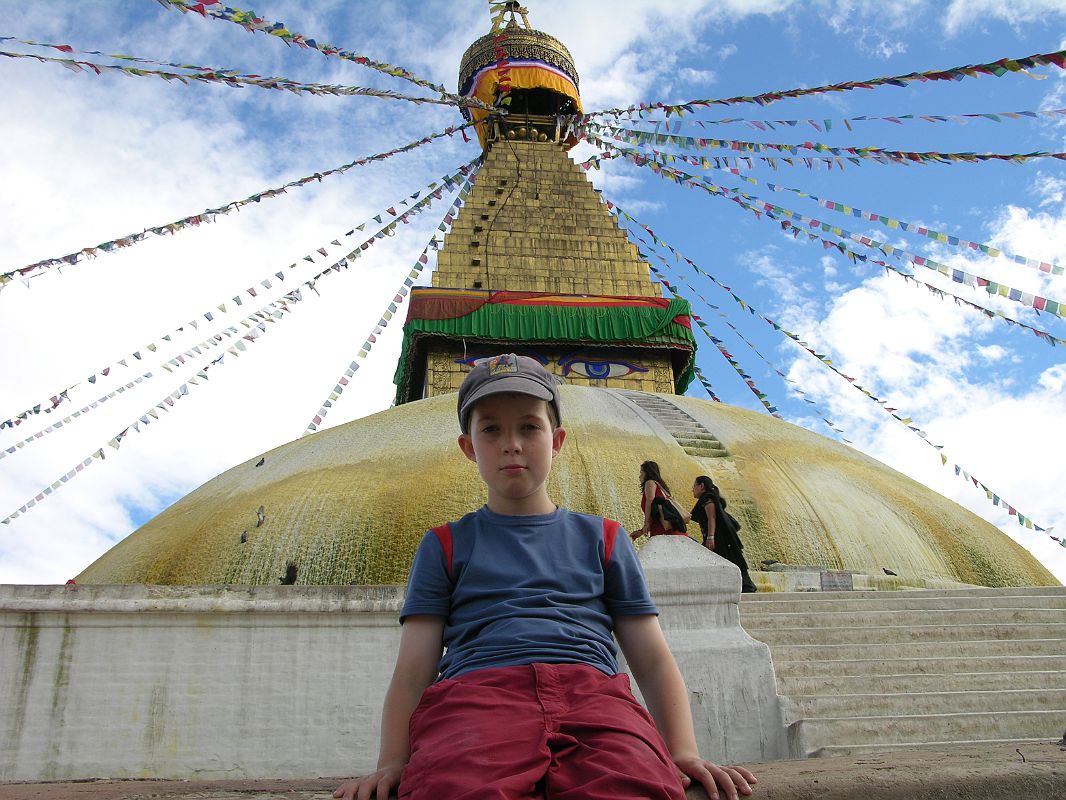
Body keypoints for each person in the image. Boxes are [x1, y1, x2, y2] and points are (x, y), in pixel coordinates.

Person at [334, 354, 757, 800]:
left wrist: (682, 750)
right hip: (476, 697)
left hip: (594, 695)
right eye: (491, 429)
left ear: (556, 440)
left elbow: (650, 659)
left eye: (529, 427)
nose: (511, 443)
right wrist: (391, 763)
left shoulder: (606, 539)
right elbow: (413, 669)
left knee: (635, 787)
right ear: (468, 447)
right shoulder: (443, 545)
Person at [691, 476, 757, 594]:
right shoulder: (709, 498)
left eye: (694, 486)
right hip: (721, 537)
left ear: (701, 486)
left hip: (719, 537)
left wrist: (710, 537)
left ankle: (742, 585)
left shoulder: (708, 499)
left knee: (725, 559)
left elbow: (712, 518)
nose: (692, 489)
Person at [632, 460, 690, 540]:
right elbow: (656, 514)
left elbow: (650, 501)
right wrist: (641, 531)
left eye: (641, 472)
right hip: (669, 529)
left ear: (647, 473)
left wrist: (646, 523)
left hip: (663, 531)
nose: (639, 476)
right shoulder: (660, 486)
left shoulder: (649, 482)